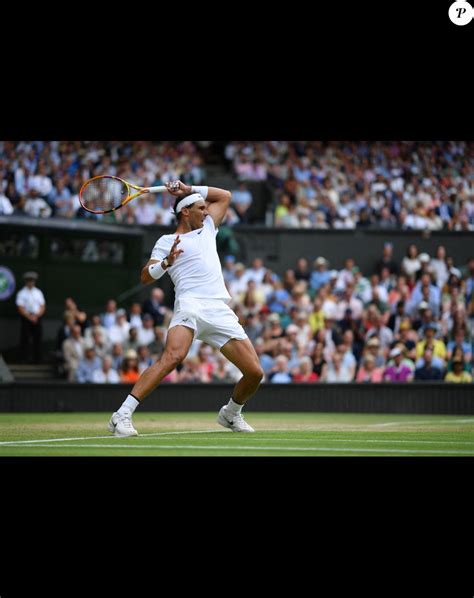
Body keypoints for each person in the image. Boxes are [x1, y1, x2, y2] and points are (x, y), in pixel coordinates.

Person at [108, 180, 263, 436]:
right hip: (190, 304)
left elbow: (224, 195)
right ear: (185, 211)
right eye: (201, 208)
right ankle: (121, 415)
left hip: (218, 308)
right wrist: (167, 261)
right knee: (172, 358)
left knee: (255, 373)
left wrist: (188, 188)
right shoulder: (166, 240)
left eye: (206, 208)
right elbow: (146, 277)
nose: (206, 211)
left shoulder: (209, 228)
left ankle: (231, 414)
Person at [15, 271, 46, 363]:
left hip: (37, 318)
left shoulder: (38, 292)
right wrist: (29, 317)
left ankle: (37, 359)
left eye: (32, 281)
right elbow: (20, 307)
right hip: (26, 318)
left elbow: (42, 306)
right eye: (29, 281)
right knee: (25, 339)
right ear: (26, 281)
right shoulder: (21, 293)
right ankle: (23, 359)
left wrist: (36, 316)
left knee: (38, 339)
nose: (31, 282)